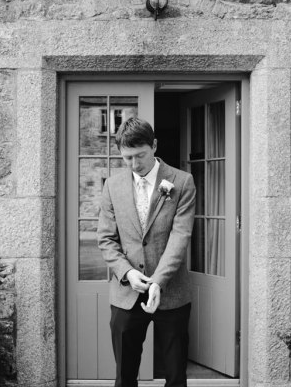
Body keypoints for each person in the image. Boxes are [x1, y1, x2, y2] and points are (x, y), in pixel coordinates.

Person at [98, 117, 196, 387]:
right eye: (127, 158)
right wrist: (127, 273)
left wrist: (158, 282)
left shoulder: (182, 182)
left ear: (153, 146)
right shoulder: (111, 186)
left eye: (139, 155)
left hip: (172, 292)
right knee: (125, 376)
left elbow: (180, 237)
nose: (134, 164)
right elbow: (106, 239)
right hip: (126, 293)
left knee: (176, 376)